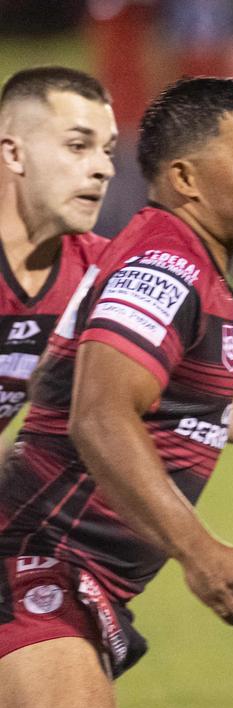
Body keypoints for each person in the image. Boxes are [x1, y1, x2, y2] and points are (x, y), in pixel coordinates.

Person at [0, 76, 233, 708]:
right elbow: (98, 414)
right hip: (35, 566)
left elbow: (112, 388)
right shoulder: (163, 268)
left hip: (66, 575)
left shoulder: (152, 262)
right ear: (186, 178)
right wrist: (199, 551)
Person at [0, 67, 115, 445]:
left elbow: (192, 381)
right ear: (14, 153)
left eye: (108, 150)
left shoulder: (99, 270)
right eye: (78, 146)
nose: (104, 168)